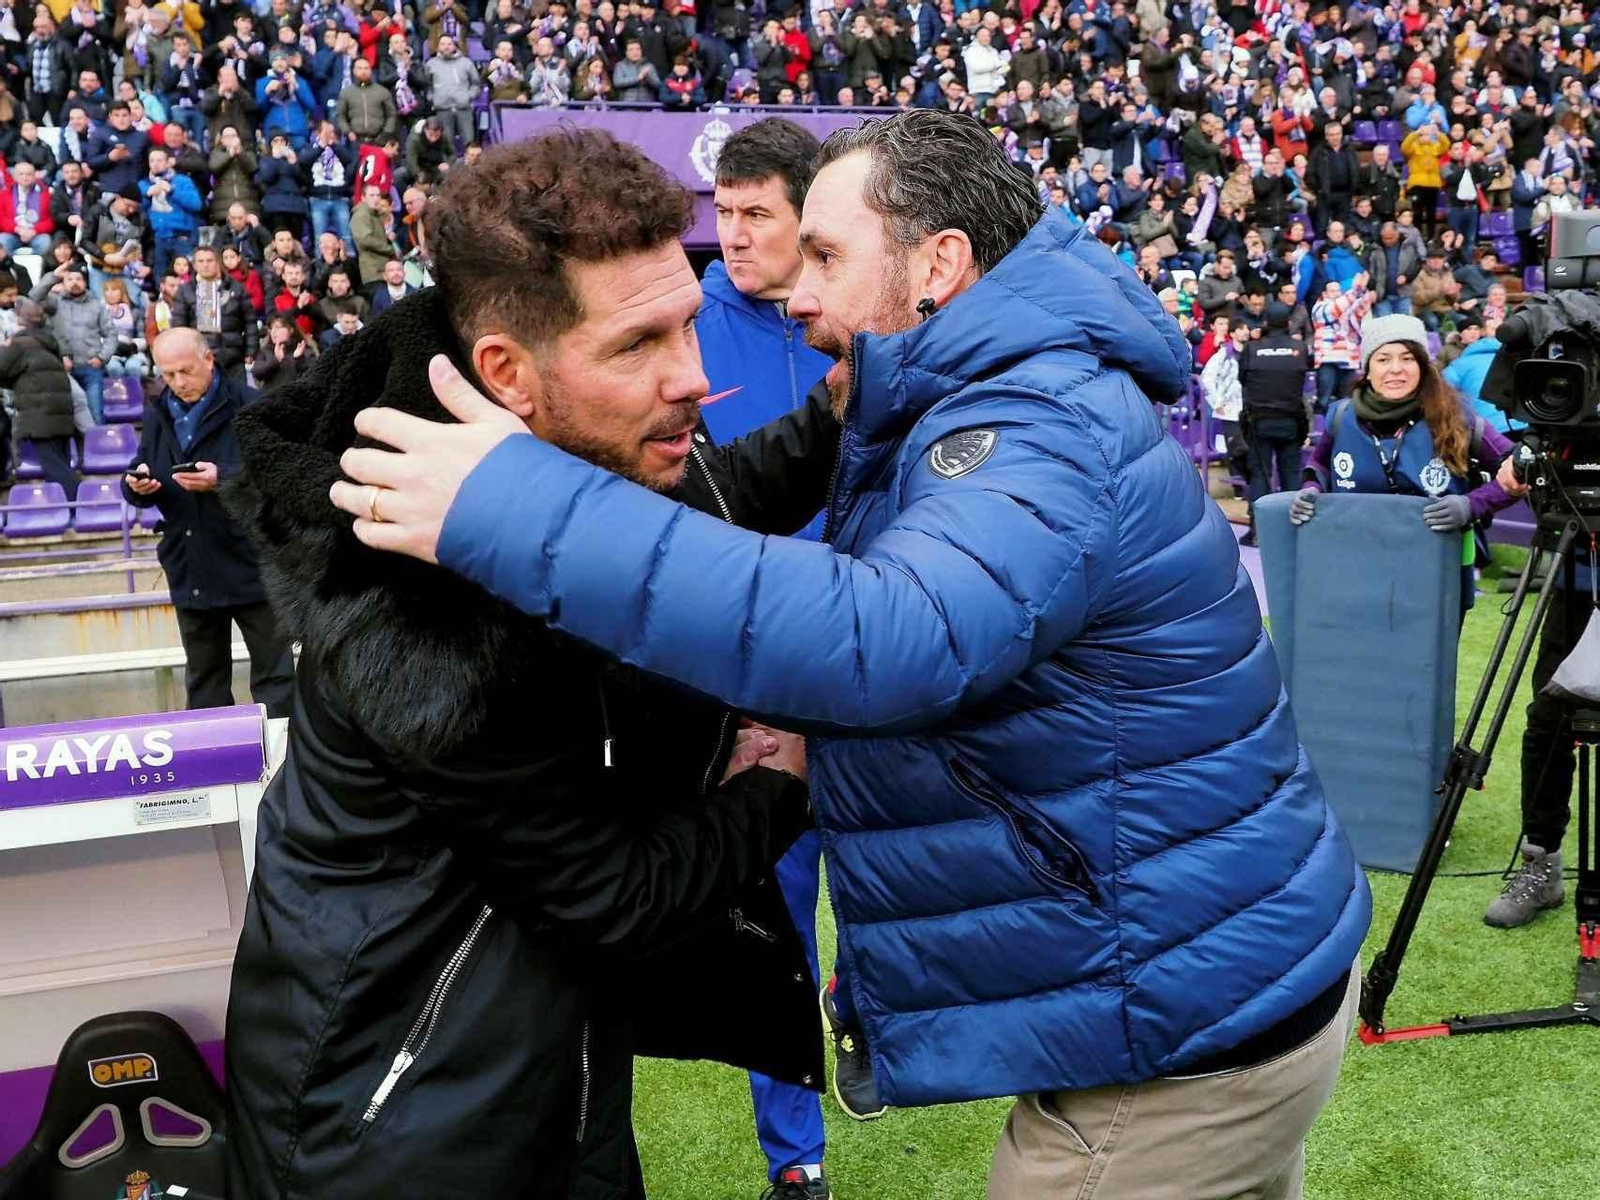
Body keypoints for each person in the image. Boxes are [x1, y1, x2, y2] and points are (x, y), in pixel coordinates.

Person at [332, 110, 1370, 1199]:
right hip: (1196, 990)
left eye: (825, 255)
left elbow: (889, 635)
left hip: (1173, 1037)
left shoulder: (1032, 421)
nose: (796, 293)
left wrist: (515, 504)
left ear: (940, 265)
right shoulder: (995, 394)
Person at [225, 128, 831, 1200]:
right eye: (639, 345)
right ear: (505, 373)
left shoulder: (536, 460)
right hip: (404, 1134)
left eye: (690, 322)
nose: (693, 379)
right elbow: (618, 898)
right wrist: (777, 782)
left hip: (536, 1079)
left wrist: (839, 414)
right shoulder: (420, 609)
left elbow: (699, 505)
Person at [696, 117, 838, 1196]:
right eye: (723, 214)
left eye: (756, 215)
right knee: (776, 909)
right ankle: (797, 1162)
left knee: (898, 879)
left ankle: (872, 1022)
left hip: (881, 655)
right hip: (752, 671)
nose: (732, 237)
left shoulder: (869, 318)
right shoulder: (686, 329)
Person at [1291, 313, 1518, 622]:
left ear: (1423, 367)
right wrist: (1311, 489)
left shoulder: (1458, 418)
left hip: (1436, 573)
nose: (1395, 369)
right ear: (1367, 369)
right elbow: (1318, 465)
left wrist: (1472, 505)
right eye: (1383, 359)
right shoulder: (1341, 417)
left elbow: (1521, 469)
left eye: (1407, 358)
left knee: (1425, 666)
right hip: (1357, 570)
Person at [119, 328, 295, 716]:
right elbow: (141, 469)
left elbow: (281, 477)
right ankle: (213, 769)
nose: (178, 383)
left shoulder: (251, 405)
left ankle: (287, 768)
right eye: (168, 375)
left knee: (276, 680)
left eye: (185, 371)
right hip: (192, 565)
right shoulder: (157, 413)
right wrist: (137, 485)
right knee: (204, 683)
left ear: (209, 360)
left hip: (252, 565)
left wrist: (223, 479)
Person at [1237, 306, 1310, 546]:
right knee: (1291, 475)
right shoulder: (1299, 348)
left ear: (1266, 321)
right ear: (1288, 322)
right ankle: (1295, 530)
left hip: (1259, 421)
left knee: (1260, 474)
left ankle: (1258, 530)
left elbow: (1243, 379)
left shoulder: (1251, 349)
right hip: (1291, 420)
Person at [0, 297, 79, 498]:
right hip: (61, 414)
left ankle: (82, 505)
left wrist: (3, 347)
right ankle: (69, 509)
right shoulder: (47, 343)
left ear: (20, 321)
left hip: (40, 415)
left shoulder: (19, 344)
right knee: (61, 464)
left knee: (57, 470)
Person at [28, 259, 116, 425]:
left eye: (78, 279)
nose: (74, 282)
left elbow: (111, 334)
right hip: (62, 369)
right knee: (65, 418)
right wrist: (53, 276)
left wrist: (101, 357)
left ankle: (98, 450)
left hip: (91, 368)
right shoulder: (54, 303)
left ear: (85, 282)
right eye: (69, 279)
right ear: (63, 282)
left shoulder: (97, 306)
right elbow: (33, 296)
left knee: (96, 414)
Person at [172, 246, 258, 384]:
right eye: (201, 261)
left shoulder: (236, 288)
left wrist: (251, 351)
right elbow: (178, 327)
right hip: (201, 361)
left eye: (209, 260)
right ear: (194, 265)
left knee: (238, 402)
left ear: (218, 262)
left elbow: (250, 322)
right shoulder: (186, 291)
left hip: (234, 359)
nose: (205, 265)